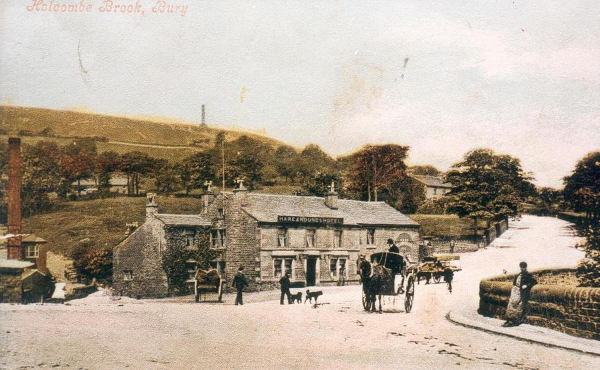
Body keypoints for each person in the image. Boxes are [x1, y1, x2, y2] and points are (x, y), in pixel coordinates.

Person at [503, 261, 537, 327]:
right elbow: (514, 282)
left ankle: (514, 321)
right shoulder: (518, 274)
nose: (522, 269)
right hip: (515, 292)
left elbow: (534, 282)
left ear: (526, 268)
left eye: (523, 268)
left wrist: (527, 286)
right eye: (521, 267)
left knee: (518, 307)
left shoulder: (528, 275)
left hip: (521, 293)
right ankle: (509, 319)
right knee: (511, 305)